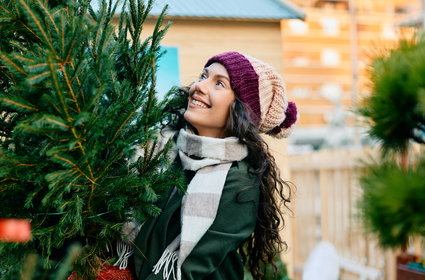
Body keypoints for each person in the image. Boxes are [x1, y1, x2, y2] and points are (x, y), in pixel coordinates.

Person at [130, 51, 297, 280]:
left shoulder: (239, 182)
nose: (199, 86)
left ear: (241, 110)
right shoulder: (166, 149)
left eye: (219, 83)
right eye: (203, 75)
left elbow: (189, 270)